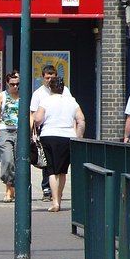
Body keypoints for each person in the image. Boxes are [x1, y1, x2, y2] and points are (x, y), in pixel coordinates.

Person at [33, 76, 85, 213]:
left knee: (51, 170)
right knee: (62, 170)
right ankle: (59, 198)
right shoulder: (72, 101)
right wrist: (78, 136)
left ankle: (55, 201)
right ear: (62, 88)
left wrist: (36, 125)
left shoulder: (46, 101)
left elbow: (38, 119)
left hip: (49, 136)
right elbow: (81, 120)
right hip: (67, 137)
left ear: (50, 88)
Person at [30, 64, 71, 202]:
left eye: (51, 78)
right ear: (43, 78)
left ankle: (57, 192)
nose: (49, 80)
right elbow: (33, 115)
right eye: (47, 78)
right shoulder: (38, 94)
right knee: (47, 162)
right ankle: (47, 189)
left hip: (63, 130)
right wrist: (33, 133)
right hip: (45, 130)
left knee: (60, 166)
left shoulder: (65, 91)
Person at [0, 70, 20, 203]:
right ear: (7, 83)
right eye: (12, 84)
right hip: (5, 131)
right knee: (7, 162)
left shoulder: (24, 95)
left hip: (20, 132)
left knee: (19, 162)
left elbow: (30, 115)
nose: (15, 87)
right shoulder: (2, 96)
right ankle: (9, 188)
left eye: (17, 84)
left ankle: (15, 189)